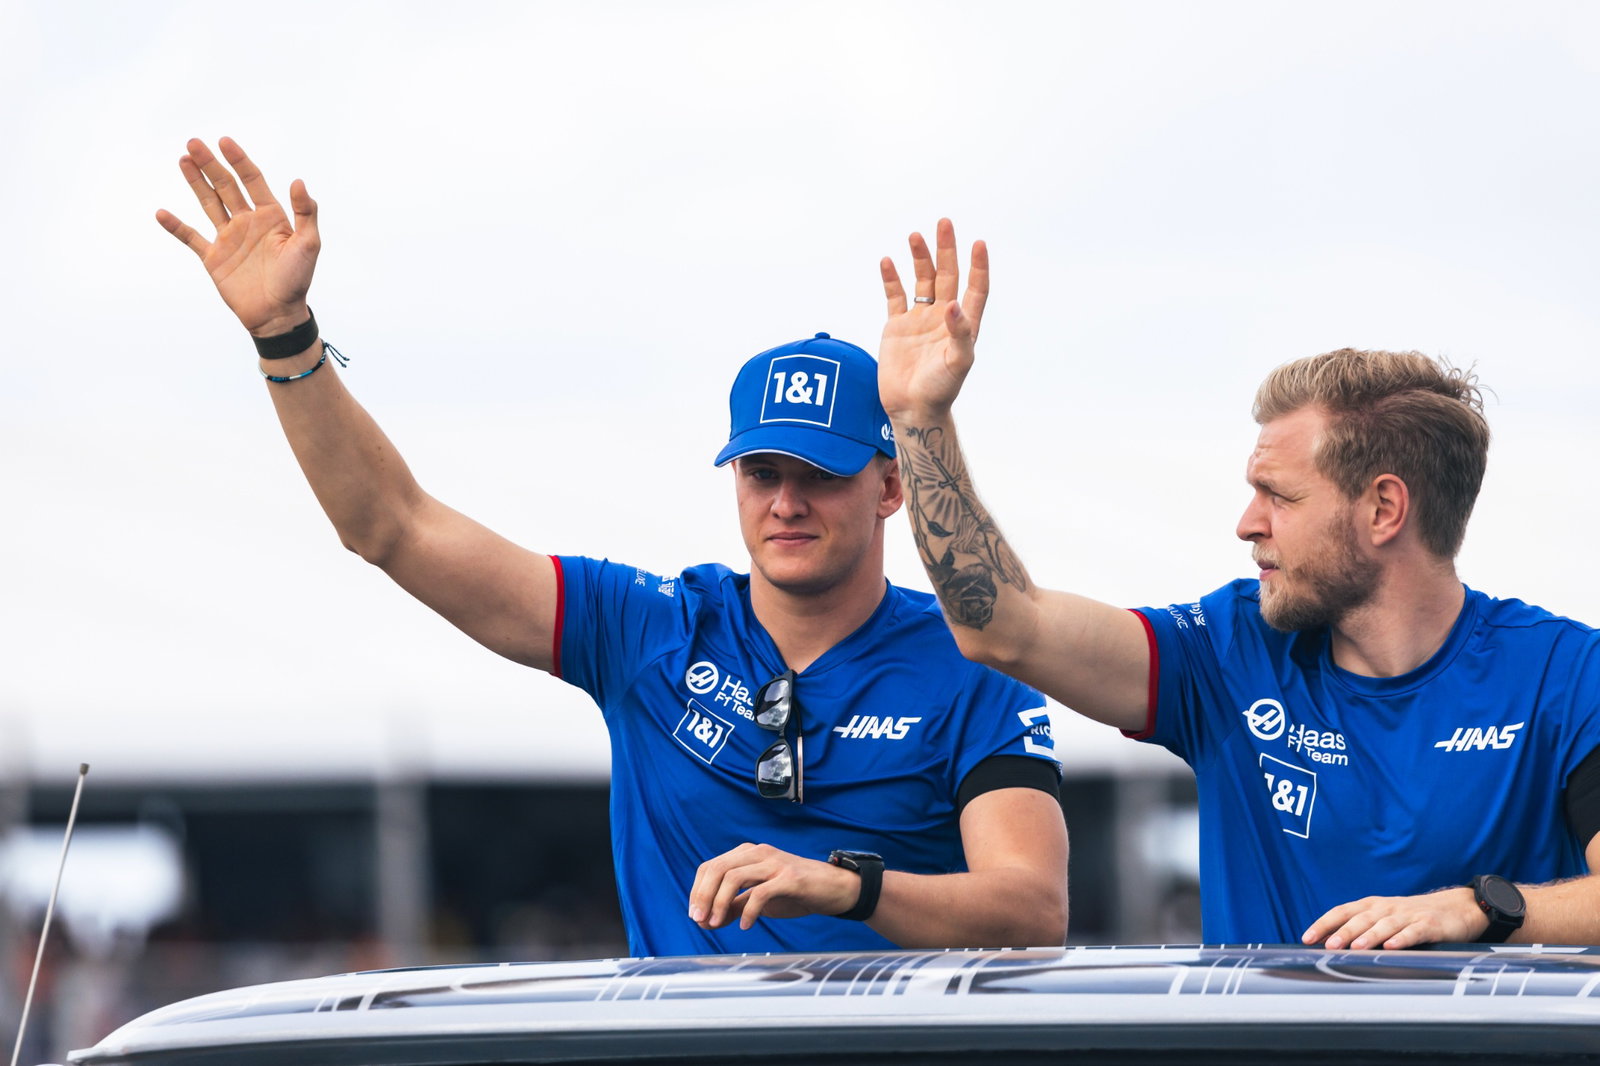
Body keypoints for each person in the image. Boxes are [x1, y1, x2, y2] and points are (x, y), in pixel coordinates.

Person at [154, 140, 1068, 957]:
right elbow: (391, 526)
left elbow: (1032, 910)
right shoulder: (648, 630)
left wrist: (845, 883)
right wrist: (284, 336)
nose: (786, 502)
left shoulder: (976, 660)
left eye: (820, 473)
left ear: (890, 487)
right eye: (760, 472)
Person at [875, 218, 1600, 950]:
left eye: (1278, 496)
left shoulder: (1564, 677)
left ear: (1384, 509)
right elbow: (1003, 625)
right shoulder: (1228, 649)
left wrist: (1481, 908)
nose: (1247, 523)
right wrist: (919, 417)